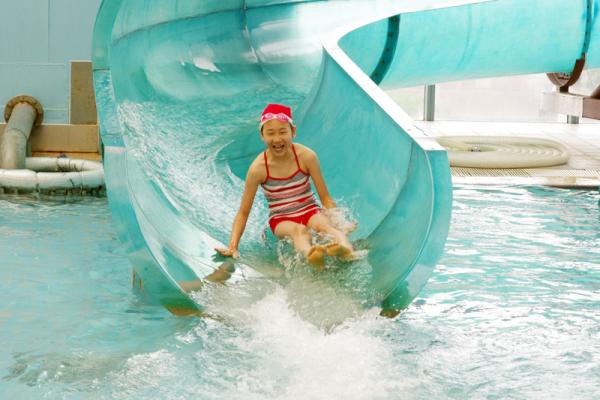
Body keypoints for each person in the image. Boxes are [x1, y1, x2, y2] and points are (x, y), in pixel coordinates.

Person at [215, 103, 355, 270]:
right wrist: (233, 246)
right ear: (262, 136)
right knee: (298, 230)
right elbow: (243, 212)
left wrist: (340, 222)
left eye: (283, 132)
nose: (277, 139)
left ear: (293, 132)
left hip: (310, 210)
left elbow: (325, 198)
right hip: (281, 219)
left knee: (324, 226)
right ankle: (311, 255)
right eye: (270, 133)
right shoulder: (258, 169)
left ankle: (345, 247)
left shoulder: (306, 157)